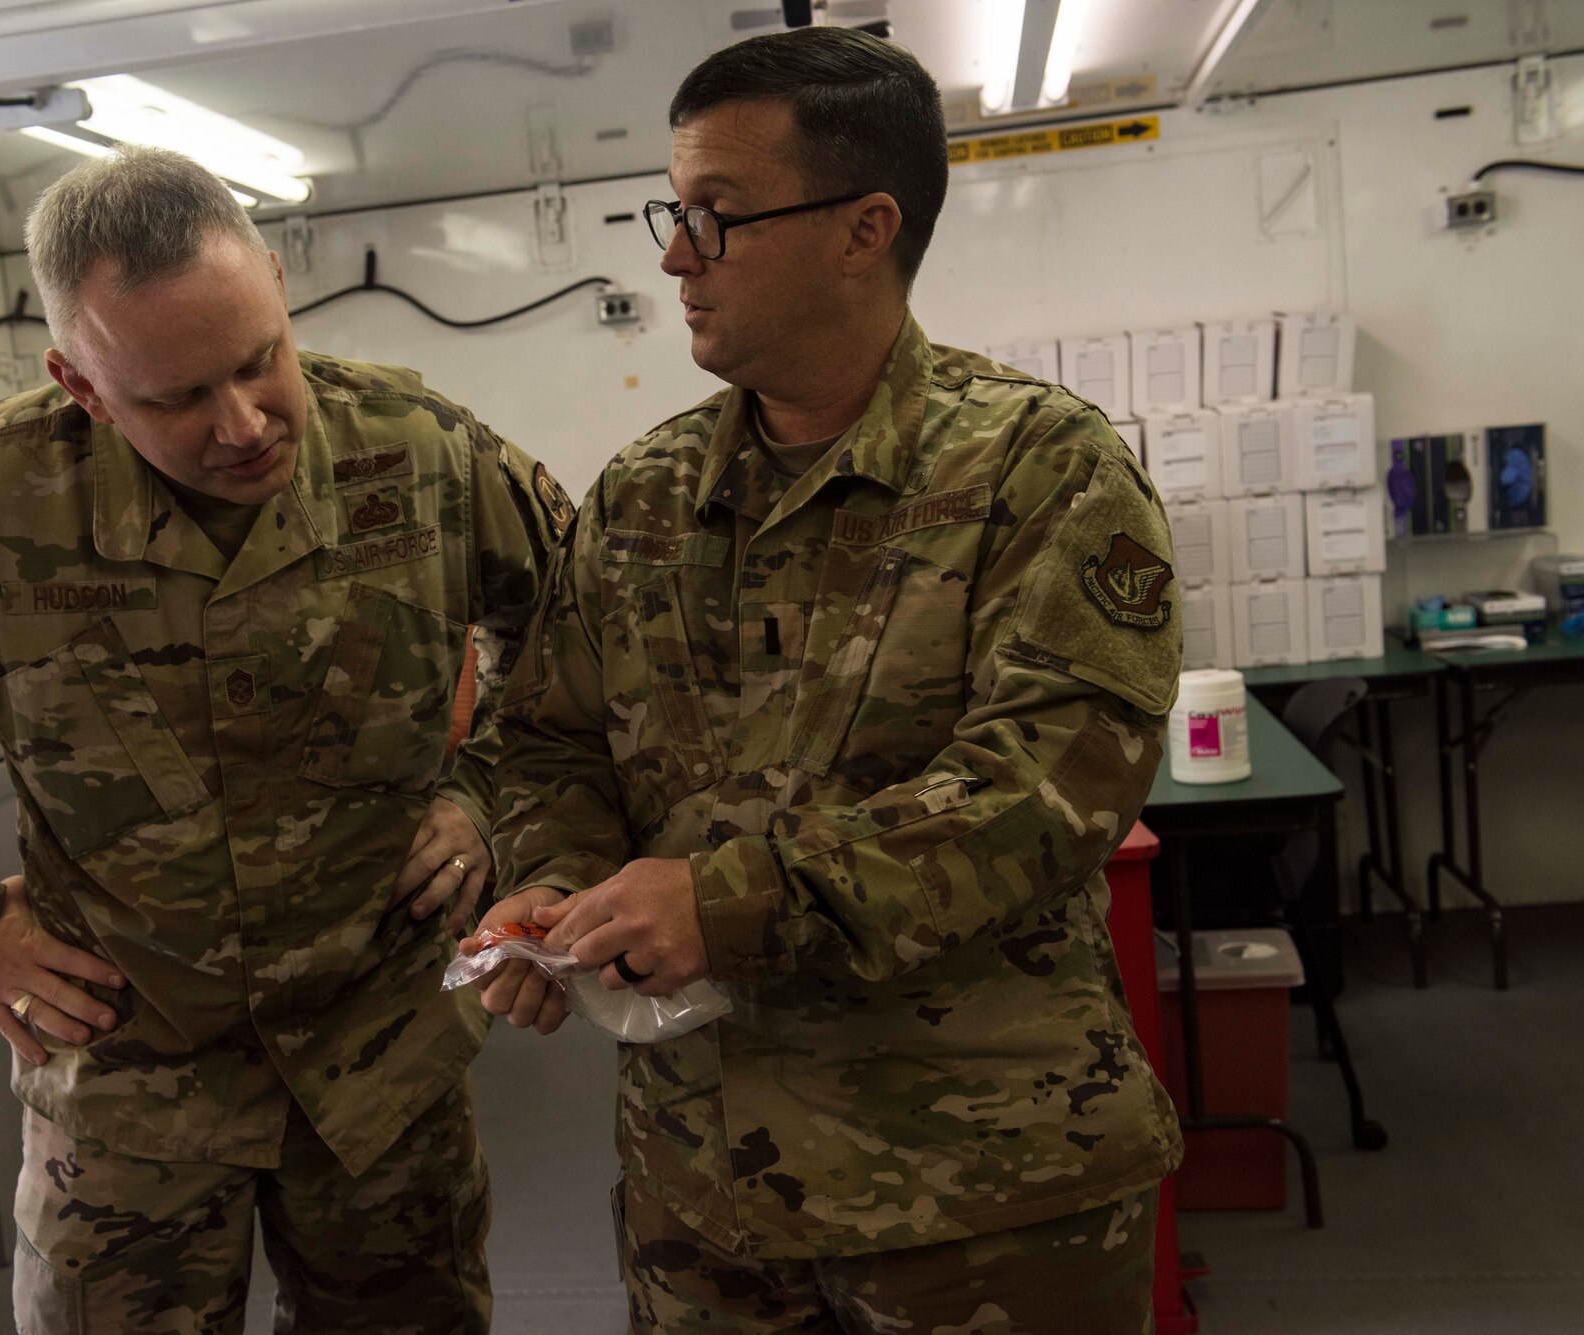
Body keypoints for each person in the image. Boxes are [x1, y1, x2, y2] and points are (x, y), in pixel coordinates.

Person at [0, 146, 568, 1333]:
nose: (242, 425)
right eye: (178, 398)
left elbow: (579, 635)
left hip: (380, 1062)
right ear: (80, 383)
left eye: (259, 363)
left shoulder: (419, 453)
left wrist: (489, 797)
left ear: (279, 289)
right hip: (130, 1091)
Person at [471, 27, 1182, 1334]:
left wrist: (723, 903)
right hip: (704, 1187)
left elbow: (1047, 790)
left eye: (717, 218)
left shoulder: (1042, 468)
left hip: (979, 1189)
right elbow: (549, 739)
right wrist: (557, 890)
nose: (676, 256)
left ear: (865, 229)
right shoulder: (639, 496)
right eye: (671, 213)